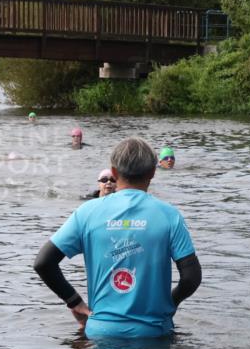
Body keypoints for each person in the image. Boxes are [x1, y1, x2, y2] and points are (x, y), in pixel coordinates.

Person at [33, 137, 202, 338]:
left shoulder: (86, 213)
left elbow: (43, 263)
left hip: (100, 333)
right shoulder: (169, 215)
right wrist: (170, 303)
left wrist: (75, 302)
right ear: (153, 172)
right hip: (153, 333)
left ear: (113, 172)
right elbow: (192, 277)